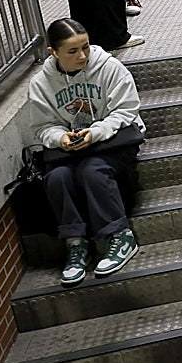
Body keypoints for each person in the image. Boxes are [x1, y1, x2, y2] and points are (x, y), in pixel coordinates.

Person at [28, 18, 144, 286]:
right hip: (70, 149)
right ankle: (76, 242)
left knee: (93, 171)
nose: (82, 56)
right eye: (72, 51)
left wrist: (96, 132)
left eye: (86, 47)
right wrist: (60, 137)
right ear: (53, 53)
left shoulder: (110, 68)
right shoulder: (40, 83)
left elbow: (127, 110)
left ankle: (119, 235)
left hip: (113, 141)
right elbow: (43, 127)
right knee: (57, 178)